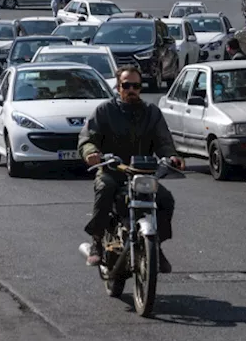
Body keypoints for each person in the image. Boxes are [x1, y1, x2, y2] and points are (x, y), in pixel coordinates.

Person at [78, 67, 182, 272]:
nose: (132, 90)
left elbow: (163, 141)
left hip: (142, 174)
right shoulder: (104, 111)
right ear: (118, 87)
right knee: (105, 189)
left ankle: (156, 245)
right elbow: (87, 138)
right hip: (112, 171)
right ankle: (97, 241)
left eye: (136, 85)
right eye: (127, 85)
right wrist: (91, 153)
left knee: (165, 199)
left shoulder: (151, 112)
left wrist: (171, 156)